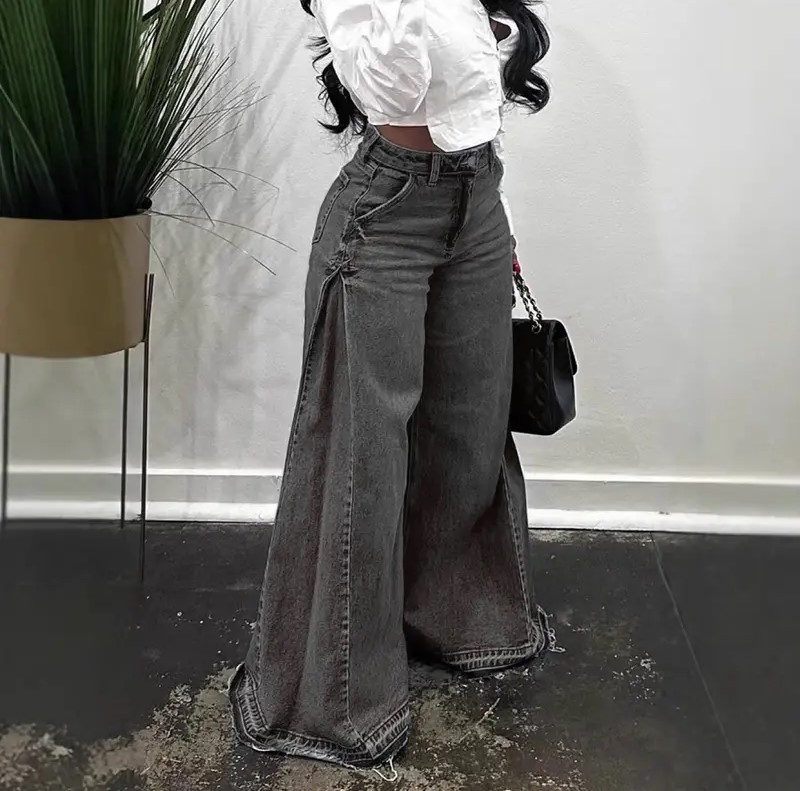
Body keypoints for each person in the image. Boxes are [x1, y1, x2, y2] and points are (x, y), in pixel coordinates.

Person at [229, 0, 556, 769]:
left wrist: (496, 210)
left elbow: (475, 90)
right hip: (386, 213)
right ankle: (337, 699)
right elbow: (396, 86)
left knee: (469, 431)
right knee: (362, 457)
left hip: (476, 200)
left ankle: (458, 622)